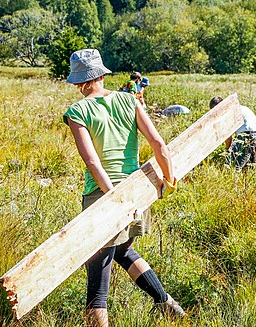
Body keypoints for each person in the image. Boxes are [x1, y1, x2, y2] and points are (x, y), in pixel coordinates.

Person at [63, 49, 186, 326]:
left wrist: (113, 201)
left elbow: (93, 163)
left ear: (80, 81)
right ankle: (167, 304)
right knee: (123, 252)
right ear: (101, 75)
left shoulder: (78, 111)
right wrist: (169, 181)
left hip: (103, 196)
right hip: (136, 192)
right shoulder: (128, 101)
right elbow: (159, 145)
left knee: (97, 282)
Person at [210, 96, 256, 170]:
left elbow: (228, 136)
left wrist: (227, 150)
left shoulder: (226, 113)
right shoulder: (243, 108)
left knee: (235, 167)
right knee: (253, 168)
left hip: (247, 136)